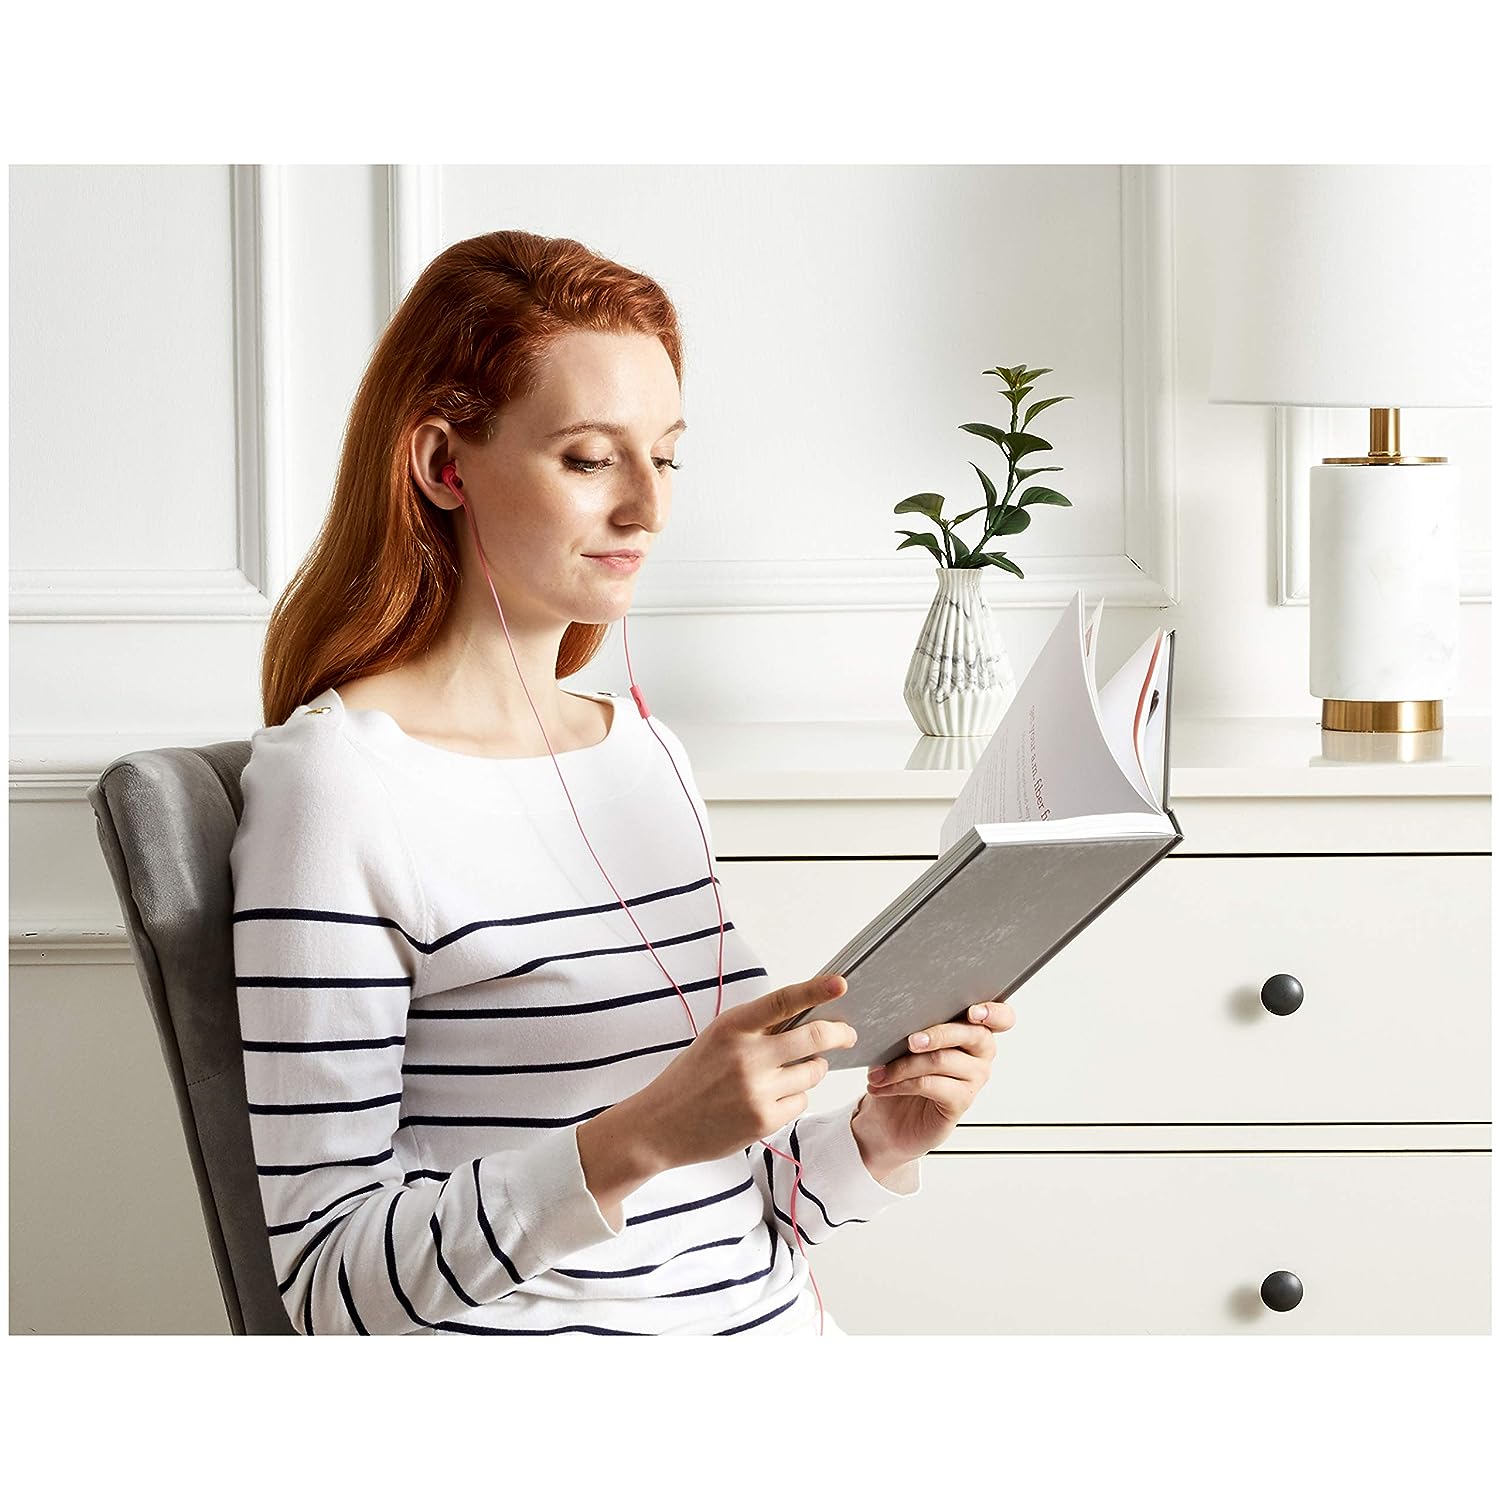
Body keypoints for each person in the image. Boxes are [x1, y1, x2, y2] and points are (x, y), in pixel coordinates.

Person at [230, 229, 1016, 1335]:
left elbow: (717, 1213)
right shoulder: (340, 790)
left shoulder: (641, 752)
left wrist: (879, 1142)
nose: (649, 506)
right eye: (591, 459)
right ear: (444, 465)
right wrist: (636, 1136)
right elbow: (328, 1288)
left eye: (668, 457)